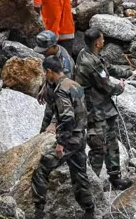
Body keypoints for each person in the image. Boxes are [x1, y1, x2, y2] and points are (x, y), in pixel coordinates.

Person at [75, 28, 136, 190]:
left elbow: (110, 68)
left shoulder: (89, 54)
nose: (104, 41)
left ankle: (115, 177)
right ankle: (91, 183)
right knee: (99, 147)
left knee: (112, 143)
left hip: (105, 109)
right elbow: (107, 86)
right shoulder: (90, 63)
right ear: (98, 43)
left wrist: (131, 73)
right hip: (95, 111)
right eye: (102, 39)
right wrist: (121, 86)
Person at [31, 56, 94, 219]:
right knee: (79, 174)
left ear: (50, 71)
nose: (45, 76)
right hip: (80, 136)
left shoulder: (60, 91)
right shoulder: (74, 85)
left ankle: (38, 211)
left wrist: (61, 144)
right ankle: (89, 210)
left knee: (41, 168)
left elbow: (67, 117)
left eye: (46, 73)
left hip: (69, 139)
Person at [35, 30, 76, 133]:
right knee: (42, 133)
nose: (43, 53)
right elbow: (50, 73)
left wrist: (54, 123)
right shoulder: (52, 54)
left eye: (45, 50)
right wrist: (45, 87)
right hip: (51, 102)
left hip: (60, 110)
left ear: (53, 46)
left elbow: (64, 98)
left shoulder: (65, 67)